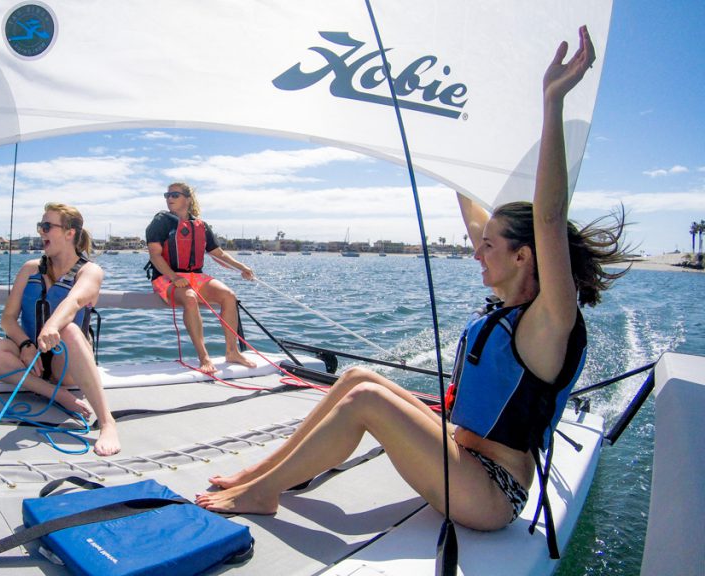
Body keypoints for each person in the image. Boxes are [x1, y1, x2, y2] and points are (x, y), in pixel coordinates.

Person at [196, 27, 630, 531]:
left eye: (488, 247)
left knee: (367, 401)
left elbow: (550, 217)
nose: (476, 254)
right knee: (359, 377)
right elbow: (476, 219)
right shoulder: (512, 302)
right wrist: (446, 158)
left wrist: (551, 102)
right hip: (457, 454)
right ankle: (263, 472)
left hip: (491, 489)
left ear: (523, 258)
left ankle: (264, 493)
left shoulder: (549, 321)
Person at [0, 203, 120, 456]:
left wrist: (52, 325)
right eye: (41, 226)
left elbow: (73, 302)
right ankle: (57, 395)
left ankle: (107, 422)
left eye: (47, 226)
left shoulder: (90, 271)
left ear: (69, 232)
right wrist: (25, 345)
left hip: (67, 364)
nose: (41, 232)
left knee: (71, 331)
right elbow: (7, 319)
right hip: (32, 359)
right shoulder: (30, 269)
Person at [145, 182, 257, 374]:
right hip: (166, 277)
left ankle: (232, 352)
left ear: (187, 199)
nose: (169, 198)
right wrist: (173, 277)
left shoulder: (201, 226)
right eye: (167, 195)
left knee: (228, 295)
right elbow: (155, 255)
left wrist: (242, 267)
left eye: (174, 195)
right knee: (189, 297)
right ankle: (204, 357)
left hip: (195, 276)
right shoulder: (161, 221)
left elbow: (218, 254)